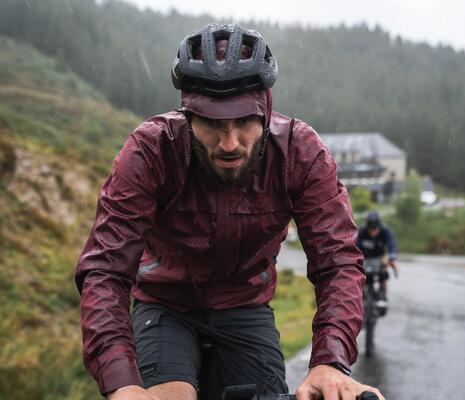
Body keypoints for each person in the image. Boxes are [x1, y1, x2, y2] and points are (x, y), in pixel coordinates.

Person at [75, 23, 384, 400]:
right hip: (164, 305)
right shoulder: (150, 150)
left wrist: (331, 361)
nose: (230, 143)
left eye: (243, 122)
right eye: (211, 123)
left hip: (245, 306)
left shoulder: (301, 153)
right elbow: (105, 269)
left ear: (266, 111)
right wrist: (121, 383)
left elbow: (337, 262)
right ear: (187, 115)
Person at [356, 210, 398, 309]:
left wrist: (392, 257)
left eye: (376, 228)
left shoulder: (385, 231)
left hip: (380, 257)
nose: (374, 231)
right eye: (371, 229)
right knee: (360, 276)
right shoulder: (361, 231)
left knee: (383, 272)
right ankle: (359, 297)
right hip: (365, 258)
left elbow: (392, 245)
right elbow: (354, 245)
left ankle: (382, 294)